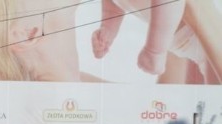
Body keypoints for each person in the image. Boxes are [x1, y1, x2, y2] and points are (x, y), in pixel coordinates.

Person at [91, 0, 219, 83]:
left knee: (215, 99)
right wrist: (107, 30)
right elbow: (113, 8)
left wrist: (154, 51)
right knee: (212, 104)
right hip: (191, 46)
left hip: (208, 35)